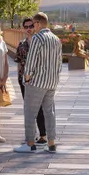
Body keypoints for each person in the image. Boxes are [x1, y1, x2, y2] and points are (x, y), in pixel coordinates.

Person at [15, 11, 61, 154]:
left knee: (30, 112)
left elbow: (31, 61)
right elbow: (59, 63)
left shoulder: (37, 38)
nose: (33, 27)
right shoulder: (56, 39)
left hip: (37, 83)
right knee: (50, 113)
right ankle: (51, 144)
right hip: (51, 82)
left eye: (34, 24)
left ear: (38, 23)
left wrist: (27, 78)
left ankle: (30, 144)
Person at [14, 17, 47, 144]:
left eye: (30, 26)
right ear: (23, 29)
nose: (28, 29)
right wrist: (19, 78)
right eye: (26, 27)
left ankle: (43, 135)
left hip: (38, 79)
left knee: (39, 107)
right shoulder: (21, 44)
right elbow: (18, 61)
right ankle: (31, 134)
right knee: (28, 108)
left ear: (35, 27)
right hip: (24, 80)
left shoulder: (40, 42)